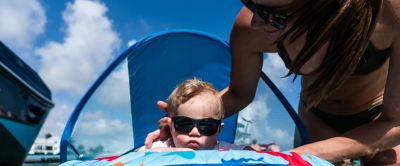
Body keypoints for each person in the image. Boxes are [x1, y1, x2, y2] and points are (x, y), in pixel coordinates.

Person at [146, 0, 400, 165]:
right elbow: (239, 94)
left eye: (274, 17)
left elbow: (395, 122)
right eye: (252, 6)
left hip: (382, 117)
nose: (255, 22)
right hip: (318, 115)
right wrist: (188, 121)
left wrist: (291, 157)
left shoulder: (392, 14)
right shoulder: (250, 27)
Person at [139, 78, 253, 152]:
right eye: (184, 124)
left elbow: (250, 153)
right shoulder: (167, 146)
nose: (194, 133)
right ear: (171, 127)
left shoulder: (221, 150)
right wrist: (175, 152)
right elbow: (138, 154)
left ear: (219, 130)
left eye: (207, 126)